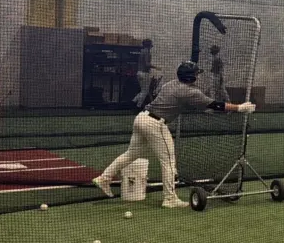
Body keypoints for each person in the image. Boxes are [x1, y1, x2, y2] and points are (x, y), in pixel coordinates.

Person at [92, 61, 256, 208]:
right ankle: (169, 199)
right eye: (196, 75)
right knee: (169, 161)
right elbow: (215, 105)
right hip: (155, 124)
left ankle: (104, 178)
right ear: (191, 77)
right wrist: (240, 108)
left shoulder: (172, 84)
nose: (198, 77)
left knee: (131, 154)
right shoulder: (189, 92)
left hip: (141, 118)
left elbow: (188, 103)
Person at [133, 39, 160, 108]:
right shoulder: (147, 52)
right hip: (144, 73)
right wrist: (156, 67)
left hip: (139, 73)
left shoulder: (142, 51)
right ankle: (137, 106)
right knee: (145, 91)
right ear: (149, 45)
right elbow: (147, 64)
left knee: (143, 91)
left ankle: (133, 101)